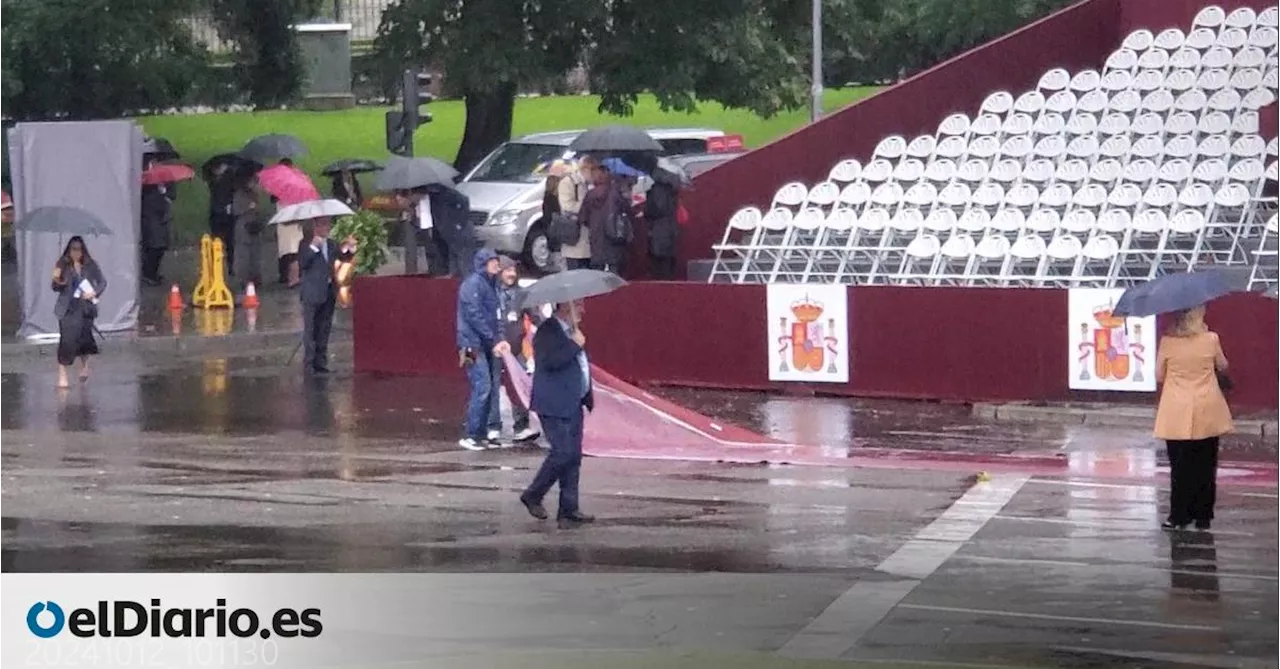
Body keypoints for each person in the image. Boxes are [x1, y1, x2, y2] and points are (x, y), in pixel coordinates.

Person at [1154, 305, 1234, 531]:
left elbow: (1159, 376)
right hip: (1207, 408)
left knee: (1180, 466)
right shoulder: (1211, 339)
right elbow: (1223, 365)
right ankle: (1203, 516)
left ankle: (1179, 515)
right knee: (1206, 465)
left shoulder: (1168, 342)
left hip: (1177, 410)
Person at [519, 300, 595, 528]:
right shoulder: (547, 331)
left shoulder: (572, 331)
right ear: (564, 307)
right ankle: (533, 494)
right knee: (562, 453)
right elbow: (551, 362)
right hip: (553, 403)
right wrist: (574, 345)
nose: (582, 310)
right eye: (578, 305)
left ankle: (569, 509)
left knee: (573, 457)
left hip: (573, 402)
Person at [457, 248, 510, 450]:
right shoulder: (472, 285)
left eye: (497, 261)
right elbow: (474, 315)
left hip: (486, 344)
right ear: (483, 264)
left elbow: (496, 317)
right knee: (482, 386)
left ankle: (482, 433)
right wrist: (494, 338)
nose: (497, 264)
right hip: (470, 345)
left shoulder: (491, 285)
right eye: (492, 261)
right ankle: (472, 434)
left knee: (489, 387)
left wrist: (499, 338)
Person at [492, 256, 542, 443]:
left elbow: (536, 317)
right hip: (496, 348)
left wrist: (550, 327)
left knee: (520, 384)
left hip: (516, 350)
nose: (512, 274)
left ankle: (521, 425)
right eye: (507, 270)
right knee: (491, 386)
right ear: (499, 272)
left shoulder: (522, 294)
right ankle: (492, 426)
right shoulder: (491, 293)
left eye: (514, 270)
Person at [297, 218, 355, 375]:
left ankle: (321, 363)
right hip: (312, 292)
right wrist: (314, 248)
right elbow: (303, 263)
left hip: (328, 292)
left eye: (328, 225)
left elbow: (343, 258)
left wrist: (349, 249)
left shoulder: (331, 244)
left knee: (324, 328)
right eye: (324, 225)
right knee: (310, 330)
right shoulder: (305, 244)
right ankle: (308, 364)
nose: (327, 228)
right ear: (316, 227)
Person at [51, 236, 107, 389]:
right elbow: (55, 286)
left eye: (79, 249)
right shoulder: (62, 264)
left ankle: (84, 365)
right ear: (69, 250)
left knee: (84, 338)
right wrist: (59, 281)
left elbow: (102, 281)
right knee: (67, 341)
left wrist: (94, 293)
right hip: (68, 308)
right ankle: (62, 375)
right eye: (73, 249)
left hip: (85, 307)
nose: (76, 253)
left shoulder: (90, 264)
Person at [582, 164, 633, 274]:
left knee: (597, 272)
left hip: (596, 236)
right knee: (614, 271)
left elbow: (583, 217)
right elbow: (627, 211)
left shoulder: (590, 195)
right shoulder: (615, 193)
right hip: (613, 235)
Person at [558, 156, 595, 270]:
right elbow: (566, 206)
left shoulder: (587, 185)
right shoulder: (568, 182)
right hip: (574, 235)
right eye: (593, 171)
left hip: (587, 236)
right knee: (575, 270)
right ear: (586, 170)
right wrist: (587, 205)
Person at [644, 180, 680, 280]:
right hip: (670, 229)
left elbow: (654, 210)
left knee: (658, 265)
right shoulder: (671, 190)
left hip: (658, 230)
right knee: (667, 263)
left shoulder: (656, 190)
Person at [233, 172, 264, 287]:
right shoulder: (239, 194)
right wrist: (248, 207)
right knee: (244, 255)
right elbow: (236, 211)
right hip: (244, 228)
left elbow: (259, 210)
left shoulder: (255, 194)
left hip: (254, 227)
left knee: (255, 255)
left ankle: (255, 277)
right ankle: (244, 280)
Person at [139, 183, 172, 286]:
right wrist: (163, 197)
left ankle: (152, 274)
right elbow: (158, 207)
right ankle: (149, 275)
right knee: (154, 251)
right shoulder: (151, 194)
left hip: (156, 224)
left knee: (156, 250)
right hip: (153, 224)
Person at [542, 161, 568, 272]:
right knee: (560, 259)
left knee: (553, 256)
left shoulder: (547, 198)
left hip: (550, 232)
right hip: (557, 232)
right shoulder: (556, 199)